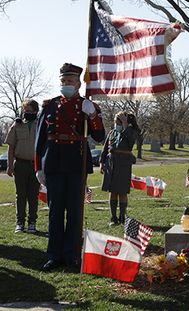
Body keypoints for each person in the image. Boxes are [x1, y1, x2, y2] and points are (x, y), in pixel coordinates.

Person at [35, 63, 105, 272]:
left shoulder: (87, 106)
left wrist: (92, 116)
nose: (66, 84)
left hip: (76, 162)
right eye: (63, 81)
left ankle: (72, 255)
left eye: (70, 81)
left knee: (75, 212)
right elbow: (39, 140)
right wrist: (39, 167)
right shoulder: (49, 106)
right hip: (54, 164)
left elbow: (99, 137)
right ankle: (54, 255)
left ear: (79, 83)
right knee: (55, 212)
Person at [5, 99, 40, 233]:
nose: (27, 113)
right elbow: (11, 147)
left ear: (36, 111)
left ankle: (32, 222)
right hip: (20, 165)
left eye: (30, 110)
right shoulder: (17, 125)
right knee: (20, 195)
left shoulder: (40, 125)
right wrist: (10, 166)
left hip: (35, 166)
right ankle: (20, 222)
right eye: (26, 110)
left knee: (33, 196)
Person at [100, 111, 139, 226]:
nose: (116, 123)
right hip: (111, 164)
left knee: (122, 191)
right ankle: (113, 217)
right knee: (112, 191)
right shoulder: (112, 132)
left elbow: (131, 139)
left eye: (118, 120)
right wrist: (102, 162)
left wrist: (125, 124)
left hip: (123, 164)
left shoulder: (131, 131)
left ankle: (122, 216)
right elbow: (105, 148)